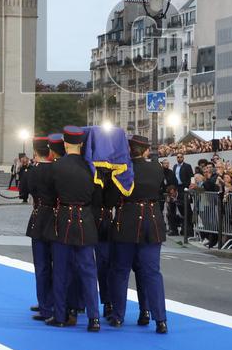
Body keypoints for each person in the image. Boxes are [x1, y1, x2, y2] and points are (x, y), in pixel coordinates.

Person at [107, 134, 168, 334]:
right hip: (151, 222)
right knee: (151, 272)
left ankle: (118, 316)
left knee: (121, 271)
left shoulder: (122, 171)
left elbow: (112, 198)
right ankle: (158, 319)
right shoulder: (156, 169)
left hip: (127, 222)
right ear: (146, 150)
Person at [46, 126, 101, 332]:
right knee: (88, 271)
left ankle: (60, 315)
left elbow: (51, 196)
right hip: (85, 220)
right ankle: (93, 318)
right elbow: (97, 198)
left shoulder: (57, 167)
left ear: (65, 143)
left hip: (63, 220)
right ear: (80, 144)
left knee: (61, 270)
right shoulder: (91, 167)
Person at [20, 136, 56, 322]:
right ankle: (56, 302)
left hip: (39, 217)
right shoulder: (57, 170)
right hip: (57, 217)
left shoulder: (30, 172)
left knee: (41, 265)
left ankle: (45, 305)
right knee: (57, 264)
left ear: (35, 153)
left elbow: (23, 193)